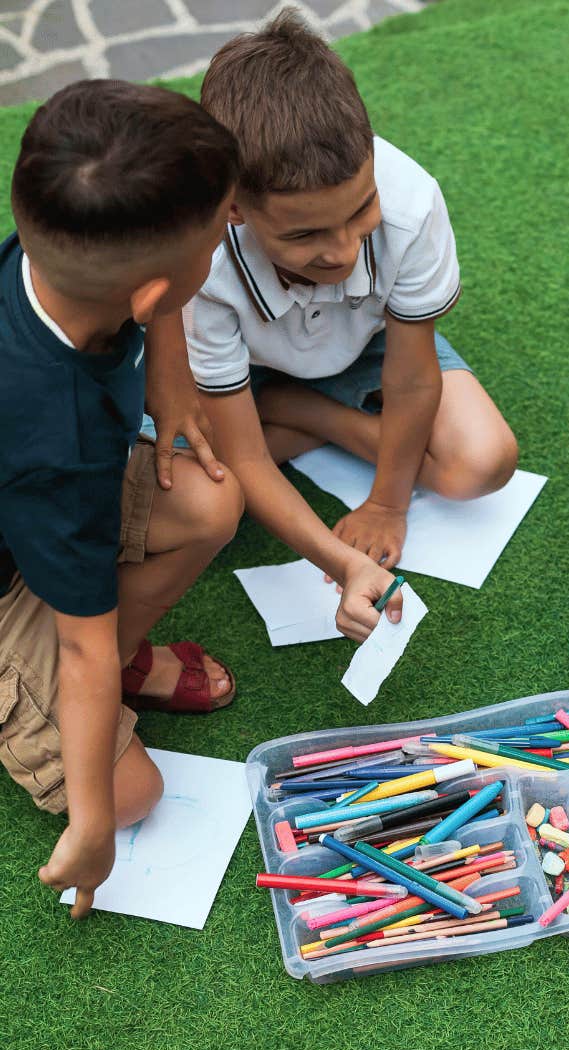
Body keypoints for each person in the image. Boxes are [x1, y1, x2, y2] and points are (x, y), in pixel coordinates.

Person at [153, 8, 518, 640]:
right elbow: (241, 454)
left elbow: (410, 378)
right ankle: (291, 407)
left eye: (361, 209)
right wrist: (339, 560)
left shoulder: (412, 201)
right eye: (305, 234)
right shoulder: (201, 263)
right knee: (199, 493)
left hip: (368, 351)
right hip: (248, 372)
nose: (344, 249)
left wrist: (386, 504)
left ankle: (309, 412)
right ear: (233, 207)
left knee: (484, 463)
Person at [1, 80, 245, 916]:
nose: (232, 232)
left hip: (37, 522)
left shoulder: (56, 254)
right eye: (220, 235)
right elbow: (80, 649)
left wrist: (171, 382)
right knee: (134, 792)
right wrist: (97, 827)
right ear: (147, 293)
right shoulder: (53, 436)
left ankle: (114, 654)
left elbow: (155, 301)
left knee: (211, 503)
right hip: (22, 559)